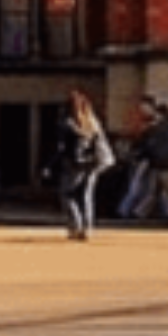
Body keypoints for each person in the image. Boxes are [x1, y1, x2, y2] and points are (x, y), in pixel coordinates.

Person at [58, 89, 112, 241]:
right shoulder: (92, 122)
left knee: (68, 195)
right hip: (93, 163)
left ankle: (76, 225)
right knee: (86, 196)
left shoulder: (68, 123)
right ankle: (87, 228)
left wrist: (50, 165)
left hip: (74, 163)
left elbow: (62, 147)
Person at [129, 96, 168, 222]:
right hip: (164, 163)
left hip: (161, 163)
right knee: (156, 190)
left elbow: (151, 144)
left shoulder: (159, 128)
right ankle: (141, 212)